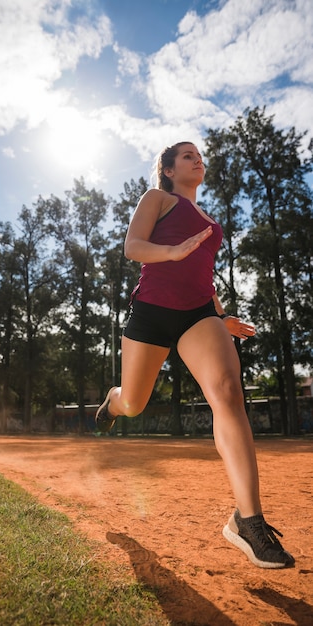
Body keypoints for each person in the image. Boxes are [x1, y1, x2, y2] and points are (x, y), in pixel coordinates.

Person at [95, 142, 295, 569]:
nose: (197, 159)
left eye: (199, 155)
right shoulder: (158, 199)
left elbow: (203, 277)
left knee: (227, 391)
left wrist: (222, 317)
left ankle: (248, 519)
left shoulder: (211, 223)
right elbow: (133, 246)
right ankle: (114, 401)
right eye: (187, 156)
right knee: (135, 403)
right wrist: (171, 251)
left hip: (198, 315)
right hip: (151, 311)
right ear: (168, 170)